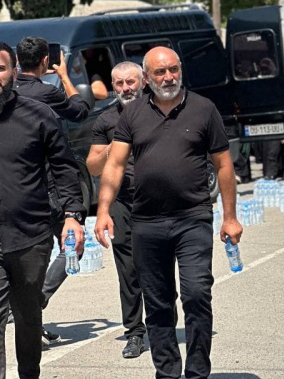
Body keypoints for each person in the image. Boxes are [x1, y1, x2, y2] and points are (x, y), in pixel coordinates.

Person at [94, 47, 243, 379]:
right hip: (146, 223)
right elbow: (115, 165)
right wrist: (103, 210)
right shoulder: (132, 116)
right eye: (160, 73)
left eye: (173, 70)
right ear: (147, 78)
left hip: (193, 218)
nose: (168, 77)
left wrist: (230, 217)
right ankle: (167, 372)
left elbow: (223, 165)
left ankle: (197, 371)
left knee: (196, 293)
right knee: (158, 303)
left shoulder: (204, 109)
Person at [0, 42, 86, 379]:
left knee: (27, 315)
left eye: (1, 67)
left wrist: (73, 217)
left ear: (13, 71)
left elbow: (65, 169)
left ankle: (29, 373)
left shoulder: (39, 115)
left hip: (30, 237)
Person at [85, 62, 147, 359]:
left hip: (159, 204)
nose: (126, 88)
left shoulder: (159, 113)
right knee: (128, 271)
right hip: (122, 202)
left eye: (130, 82)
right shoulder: (107, 120)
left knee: (159, 270)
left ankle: (162, 326)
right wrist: (114, 145)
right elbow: (93, 166)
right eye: (119, 83)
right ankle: (135, 332)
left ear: (143, 81)